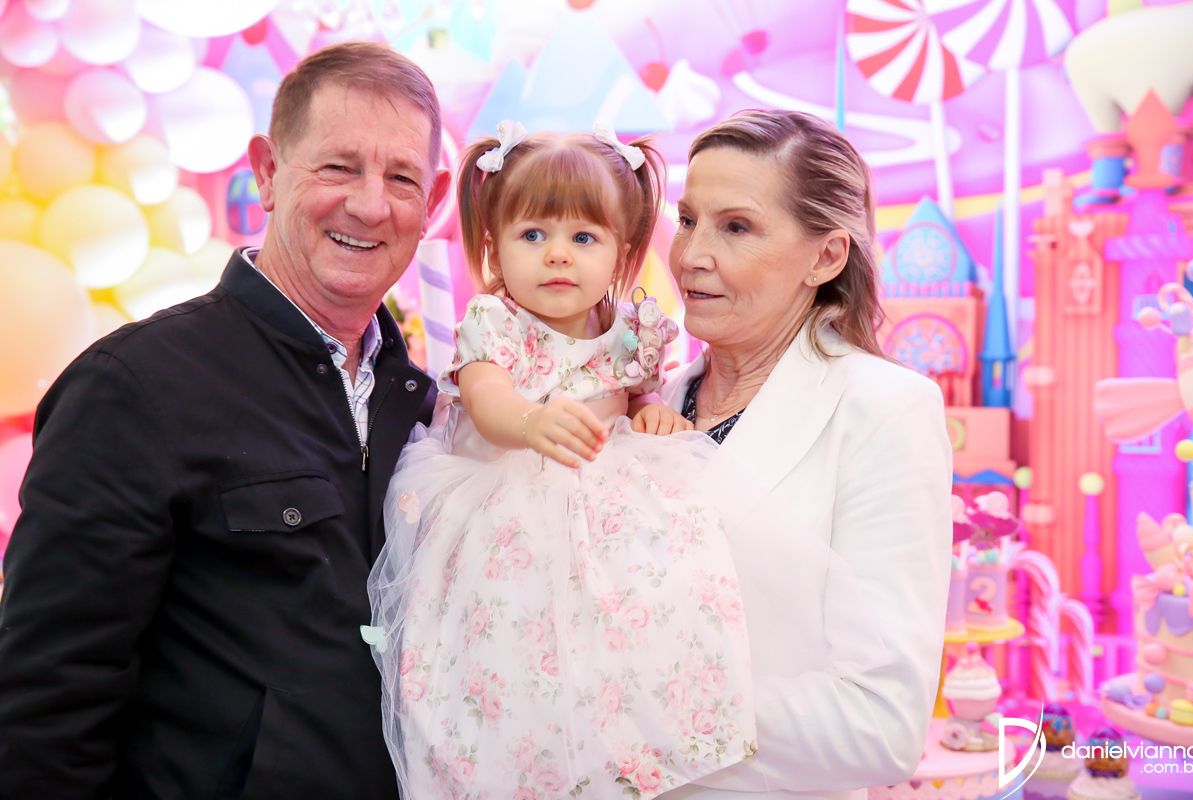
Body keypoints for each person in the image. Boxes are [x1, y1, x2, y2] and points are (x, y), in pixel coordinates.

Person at [0, 42, 450, 799]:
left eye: (400, 178)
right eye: (339, 167)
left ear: (431, 201)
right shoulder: (136, 387)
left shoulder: (427, 410)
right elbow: (48, 702)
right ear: (267, 172)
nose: (371, 205)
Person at [366, 123, 760, 800]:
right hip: (505, 508)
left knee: (628, 616)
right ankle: (506, 764)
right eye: (532, 235)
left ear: (622, 250)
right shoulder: (495, 321)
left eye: (583, 238)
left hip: (603, 503)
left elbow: (635, 393)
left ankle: (652, 733)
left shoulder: (630, 330)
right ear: (493, 245)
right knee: (510, 645)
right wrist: (530, 421)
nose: (557, 255)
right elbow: (486, 398)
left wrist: (650, 411)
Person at [657, 110, 953, 799]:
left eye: (736, 227)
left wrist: (634, 701)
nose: (691, 254)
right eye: (688, 219)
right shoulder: (650, 403)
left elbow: (881, 725)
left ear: (825, 257)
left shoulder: (884, 410)